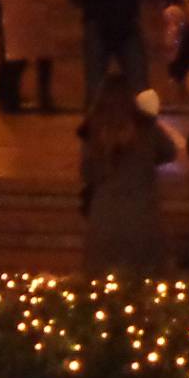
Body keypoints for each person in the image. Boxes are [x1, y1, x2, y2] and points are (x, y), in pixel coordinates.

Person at [80, 78, 175, 275]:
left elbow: (86, 172)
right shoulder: (146, 127)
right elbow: (169, 151)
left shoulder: (92, 130)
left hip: (104, 217)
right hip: (142, 215)